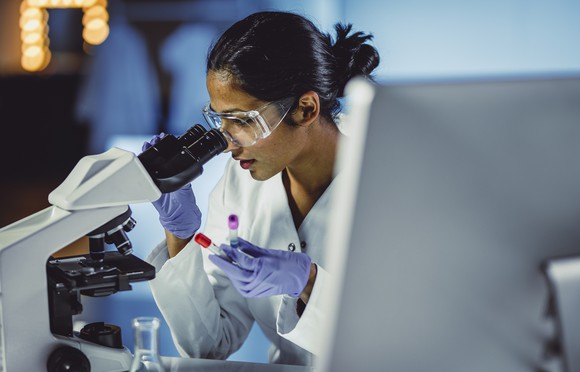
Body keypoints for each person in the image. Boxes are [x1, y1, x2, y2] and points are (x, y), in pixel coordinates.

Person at [144, 10, 380, 366]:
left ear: (305, 109)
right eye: (219, 119)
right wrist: (180, 236)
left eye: (241, 121)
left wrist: (309, 282)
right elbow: (209, 347)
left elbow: (406, 335)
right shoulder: (240, 182)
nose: (227, 143)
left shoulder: (388, 178)